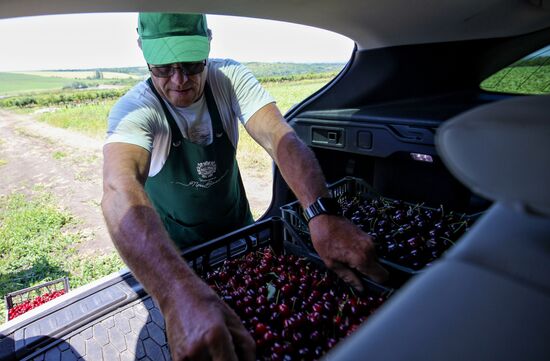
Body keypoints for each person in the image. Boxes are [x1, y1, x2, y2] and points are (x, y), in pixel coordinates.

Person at [101, 12, 388, 361]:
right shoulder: (136, 110)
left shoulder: (227, 78)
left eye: (192, 64)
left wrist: (321, 213)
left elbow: (280, 137)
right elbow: (119, 190)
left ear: (208, 42)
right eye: (163, 68)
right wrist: (176, 292)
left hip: (240, 237)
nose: (179, 79)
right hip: (178, 258)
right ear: (142, 53)